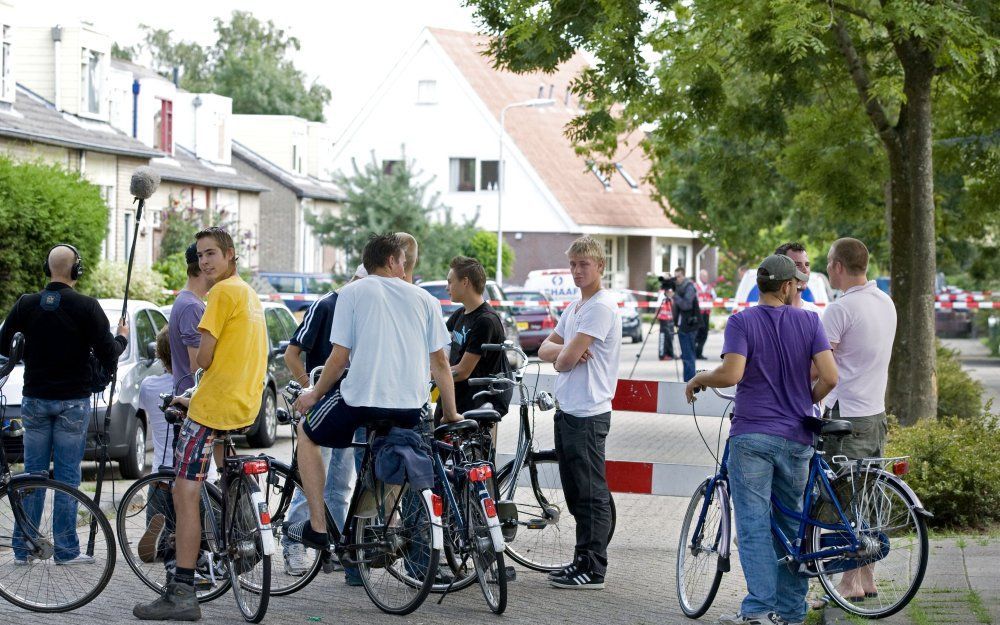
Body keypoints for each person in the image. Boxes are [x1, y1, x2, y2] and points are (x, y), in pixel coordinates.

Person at [685, 254, 838, 625]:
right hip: (798, 436)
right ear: (788, 286)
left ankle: (757, 610)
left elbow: (733, 373)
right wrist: (805, 401)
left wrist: (700, 378)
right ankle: (790, 612)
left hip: (752, 435)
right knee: (791, 525)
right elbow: (831, 377)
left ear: (760, 284)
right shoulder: (809, 321)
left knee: (754, 525)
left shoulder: (742, 321)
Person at [285, 233, 460, 552]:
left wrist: (313, 394)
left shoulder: (352, 293)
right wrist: (450, 412)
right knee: (389, 450)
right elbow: (441, 364)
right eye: (403, 261)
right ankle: (383, 528)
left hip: (361, 401)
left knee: (307, 434)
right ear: (392, 260)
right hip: (410, 406)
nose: (406, 268)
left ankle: (318, 527)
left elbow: (338, 359)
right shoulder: (425, 300)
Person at [134, 227, 268, 621]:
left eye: (212, 254)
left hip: (210, 409)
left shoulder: (220, 294)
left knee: (184, 491)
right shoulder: (249, 294)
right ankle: (234, 539)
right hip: (243, 403)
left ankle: (182, 589)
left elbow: (203, 360)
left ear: (230, 256)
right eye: (201, 255)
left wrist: (190, 396)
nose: (205, 261)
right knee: (222, 476)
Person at [0, 243, 129, 565]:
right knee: (68, 478)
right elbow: (108, 353)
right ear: (77, 271)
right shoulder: (87, 306)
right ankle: (67, 551)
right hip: (73, 401)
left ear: (48, 269)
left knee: (32, 475)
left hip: (34, 399)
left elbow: (4, 344)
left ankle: (24, 548)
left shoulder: (26, 304)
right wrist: (122, 337)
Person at [538, 236, 621, 590]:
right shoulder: (575, 308)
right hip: (568, 409)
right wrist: (565, 351)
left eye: (584, 264)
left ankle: (594, 567)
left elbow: (565, 360)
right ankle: (580, 560)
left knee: (590, 493)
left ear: (600, 267)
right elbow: (545, 348)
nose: (576, 270)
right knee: (575, 492)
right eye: (573, 264)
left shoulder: (600, 307)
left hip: (588, 412)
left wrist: (565, 353)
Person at [817, 237, 896, 605]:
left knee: (840, 500)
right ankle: (865, 579)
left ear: (837, 266)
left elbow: (820, 366)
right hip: (876, 413)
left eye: (829, 262)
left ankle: (847, 584)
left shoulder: (840, 310)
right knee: (868, 496)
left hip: (845, 416)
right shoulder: (885, 302)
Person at [280, 280, 362, 580]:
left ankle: (334, 544)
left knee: (340, 485)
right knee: (312, 482)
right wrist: (310, 389)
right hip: (324, 404)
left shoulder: (362, 306)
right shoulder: (325, 306)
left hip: (351, 406)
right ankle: (294, 543)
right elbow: (292, 353)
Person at [444, 256, 508, 416]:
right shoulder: (460, 314)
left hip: (474, 407)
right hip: (455, 399)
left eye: (450, 282)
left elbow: (463, 371)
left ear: (465, 282)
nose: (447, 288)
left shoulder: (485, 321)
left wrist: (427, 376)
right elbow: (440, 347)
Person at [168, 243, 210, 395]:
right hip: (193, 402)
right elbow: (197, 367)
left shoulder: (186, 300)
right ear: (202, 267)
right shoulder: (191, 306)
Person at [775, 242, 823, 317]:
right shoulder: (767, 314)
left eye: (807, 265)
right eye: (797, 265)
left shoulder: (816, 314)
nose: (805, 270)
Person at [672, 267, 701, 381]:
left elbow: (686, 305)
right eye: (675, 276)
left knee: (689, 357)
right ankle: (687, 382)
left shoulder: (689, 287)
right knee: (685, 357)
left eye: (679, 276)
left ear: (684, 276)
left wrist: (674, 295)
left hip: (689, 326)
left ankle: (690, 383)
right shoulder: (678, 288)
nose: (677, 279)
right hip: (682, 326)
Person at [695, 269, 716, 359]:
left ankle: (699, 353)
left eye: (706, 276)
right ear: (700, 277)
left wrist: (709, 302)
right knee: (696, 333)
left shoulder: (710, 287)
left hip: (706, 313)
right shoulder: (695, 286)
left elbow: (714, 297)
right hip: (697, 314)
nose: (706, 278)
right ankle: (693, 352)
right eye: (704, 276)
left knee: (704, 333)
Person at [657, 285, 675, 361]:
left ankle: (670, 353)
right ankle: (662, 354)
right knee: (664, 336)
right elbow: (658, 305)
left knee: (670, 336)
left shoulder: (671, 292)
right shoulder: (662, 294)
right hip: (663, 318)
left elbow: (673, 303)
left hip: (670, 317)